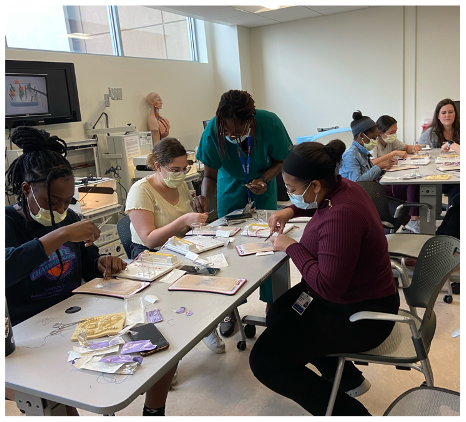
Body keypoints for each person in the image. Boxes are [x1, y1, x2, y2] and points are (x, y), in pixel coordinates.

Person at [4, 126, 175, 417]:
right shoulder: (9, 223)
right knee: (60, 400)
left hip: (75, 319)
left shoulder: (67, 217)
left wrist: (101, 263)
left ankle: (153, 411)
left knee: (163, 351)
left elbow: (86, 263)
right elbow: (9, 267)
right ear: (26, 188)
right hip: (31, 335)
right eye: (52, 201)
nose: (59, 209)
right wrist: (60, 234)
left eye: (66, 201)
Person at [249, 140, 400, 416]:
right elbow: (323, 204)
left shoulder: (342, 216)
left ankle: (350, 413)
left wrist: (291, 247)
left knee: (265, 361)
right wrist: (292, 209)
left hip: (361, 314)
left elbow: (329, 287)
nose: (290, 194)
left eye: (292, 190)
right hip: (352, 295)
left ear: (315, 185)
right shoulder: (342, 186)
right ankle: (347, 378)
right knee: (279, 312)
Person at [193, 90, 293, 336]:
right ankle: (229, 309)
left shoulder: (269, 123)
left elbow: (282, 160)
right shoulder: (213, 132)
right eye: (227, 132)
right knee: (227, 250)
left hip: (262, 186)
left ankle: (273, 303)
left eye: (237, 132)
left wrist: (264, 179)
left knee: (270, 246)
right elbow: (209, 174)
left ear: (250, 120)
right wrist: (205, 198)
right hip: (229, 187)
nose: (232, 136)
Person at [125, 137, 225, 354]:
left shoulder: (178, 183)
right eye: (174, 169)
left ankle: (206, 326)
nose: (180, 174)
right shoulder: (141, 190)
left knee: (212, 277)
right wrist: (184, 220)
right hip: (149, 255)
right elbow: (149, 239)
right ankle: (166, 355)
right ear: (158, 166)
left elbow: (186, 223)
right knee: (164, 303)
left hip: (179, 248)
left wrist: (197, 215)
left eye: (184, 168)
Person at [339, 111, 420, 233]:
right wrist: (379, 167)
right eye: (372, 138)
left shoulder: (362, 152)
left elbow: (369, 172)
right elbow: (356, 183)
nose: (375, 140)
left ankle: (384, 235)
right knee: (401, 207)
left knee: (403, 207)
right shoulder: (351, 154)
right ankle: (381, 235)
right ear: (361, 136)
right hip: (359, 198)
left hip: (370, 193)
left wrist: (384, 167)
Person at [373, 115, 423, 233]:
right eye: (392, 132)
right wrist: (393, 154)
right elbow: (372, 162)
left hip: (390, 175)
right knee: (412, 184)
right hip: (378, 183)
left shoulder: (391, 140)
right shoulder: (373, 144)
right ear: (380, 133)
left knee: (415, 181)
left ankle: (410, 221)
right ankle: (413, 221)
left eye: (396, 131)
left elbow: (406, 148)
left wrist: (414, 148)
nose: (394, 134)